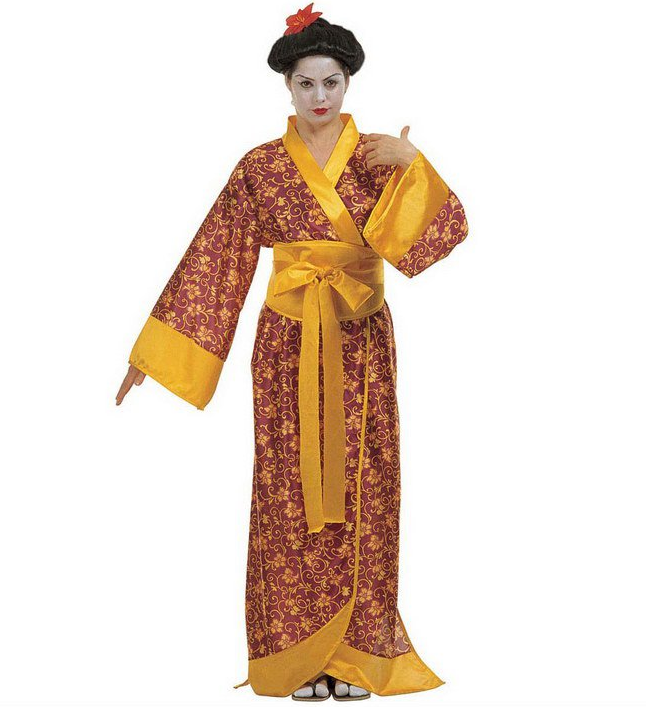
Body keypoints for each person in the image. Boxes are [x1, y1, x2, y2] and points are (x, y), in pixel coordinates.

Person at [116, 3, 468, 701]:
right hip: (286, 345)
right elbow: (215, 256)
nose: (319, 97)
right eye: (306, 83)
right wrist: (154, 354)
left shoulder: (375, 157)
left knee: (365, 484)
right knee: (287, 489)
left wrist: (414, 167)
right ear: (287, 85)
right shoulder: (260, 167)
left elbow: (443, 233)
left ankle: (357, 653)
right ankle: (295, 656)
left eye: (331, 82)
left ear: (348, 81)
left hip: (359, 340)